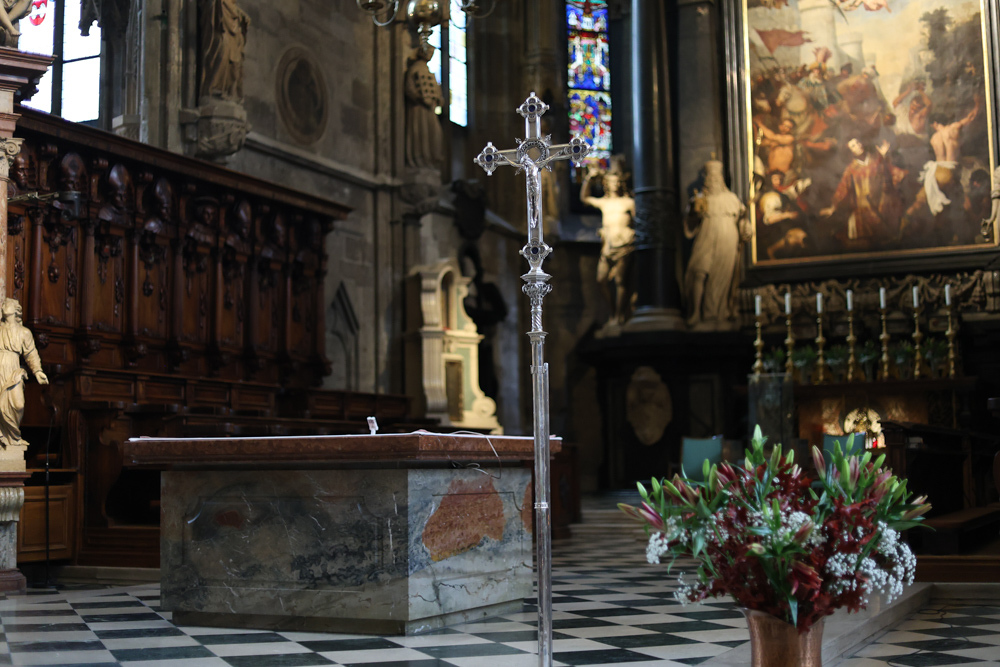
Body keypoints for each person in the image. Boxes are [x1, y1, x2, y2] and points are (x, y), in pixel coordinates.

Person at [683, 160, 748, 329]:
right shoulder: (700, 199)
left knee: (721, 277)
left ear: (721, 179)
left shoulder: (731, 199)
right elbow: (690, 224)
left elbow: (741, 220)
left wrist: (746, 228)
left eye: (716, 177)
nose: (713, 181)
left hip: (727, 240)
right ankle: (696, 313)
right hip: (706, 237)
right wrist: (693, 212)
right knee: (698, 271)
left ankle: (715, 314)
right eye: (710, 178)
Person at [820, 138, 906, 245]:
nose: (858, 146)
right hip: (864, 208)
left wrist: (884, 157)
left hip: (882, 204)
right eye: (853, 146)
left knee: (887, 239)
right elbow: (843, 189)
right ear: (850, 152)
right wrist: (833, 207)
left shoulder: (877, 160)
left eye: (857, 142)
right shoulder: (851, 169)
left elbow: (891, 173)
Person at [581, 158, 635, 325]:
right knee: (601, 280)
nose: (615, 185)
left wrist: (631, 235)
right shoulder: (604, 203)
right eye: (612, 182)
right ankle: (612, 312)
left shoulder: (628, 202)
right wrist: (589, 179)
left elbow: (639, 222)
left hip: (624, 246)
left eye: (617, 181)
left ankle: (619, 316)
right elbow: (585, 198)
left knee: (620, 281)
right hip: (608, 246)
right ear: (606, 184)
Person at [0, 298, 47, 450]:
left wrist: (37, 371)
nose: (3, 306)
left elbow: (31, 353)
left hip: (13, 370)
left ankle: (13, 438)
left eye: (6, 304)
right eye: (3, 304)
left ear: (16, 310)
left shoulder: (24, 332)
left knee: (18, 405)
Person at [199, 0, 250, 103]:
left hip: (233, 33)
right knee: (222, 51)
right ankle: (213, 89)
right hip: (221, 30)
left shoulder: (232, 7)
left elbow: (233, 7)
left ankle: (229, 92)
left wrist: (241, 16)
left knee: (235, 63)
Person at [404, 43, 444, 169]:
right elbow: (409, 88)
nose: (430, 55)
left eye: (432, 53)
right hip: (419, 109)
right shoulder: (415, 68)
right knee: (421, 133)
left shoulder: (429, 71)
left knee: (435, 134)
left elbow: (437, 92)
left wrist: (438, 99)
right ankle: (419, 159)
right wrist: (419, 98)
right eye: (429, 52)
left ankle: (430, 160)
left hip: (430, 110)